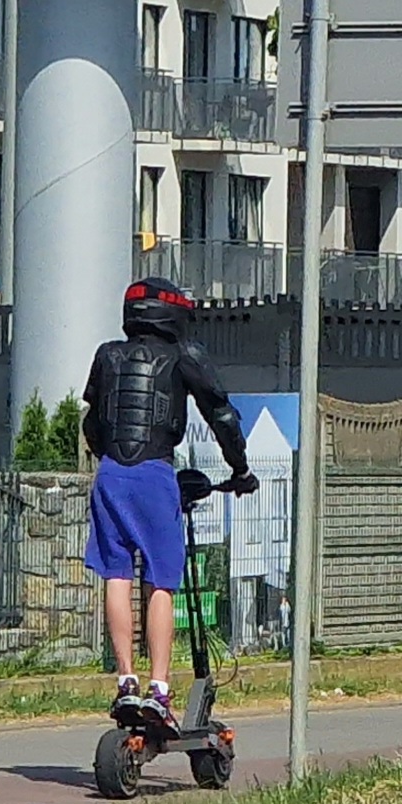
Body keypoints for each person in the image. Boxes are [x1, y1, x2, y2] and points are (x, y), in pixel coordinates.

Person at [81, 277, 256, 726]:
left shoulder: (107, 355)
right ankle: (159, 688)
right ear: (175, 315)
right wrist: (240, 469)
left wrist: (110, 458)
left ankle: (125, 680)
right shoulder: (184, 356)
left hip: (110, 475)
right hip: (155, 472)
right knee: (162, 579)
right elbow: (221, 414)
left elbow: (92, 422)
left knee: (116, 573)